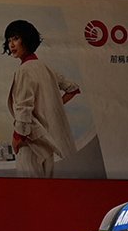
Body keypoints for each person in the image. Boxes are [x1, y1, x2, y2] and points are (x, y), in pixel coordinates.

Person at [4, 19, 80, 178]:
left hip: (30, 142)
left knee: (29, 192)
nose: (11, 44)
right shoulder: (45, 67)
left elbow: (24, 108)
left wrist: (18, 137)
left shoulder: (25, 70)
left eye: (16, 38)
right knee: (47, 190)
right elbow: (73, 89)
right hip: (48, 144)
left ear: (27, 39)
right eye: (9, 40)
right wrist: (52, 106)